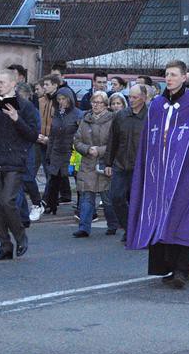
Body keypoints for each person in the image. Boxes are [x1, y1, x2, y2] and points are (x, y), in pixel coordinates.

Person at [126, 60, 189, 289]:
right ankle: (165, 267)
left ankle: (182, 270)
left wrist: (182, 149)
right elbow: (149, 136)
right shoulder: (157, 104)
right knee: (159, 217)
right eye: (167, 74)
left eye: (174, 75)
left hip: (183, 172)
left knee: (180, 217)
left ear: (184, 77)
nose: (169, 78)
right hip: (159, 173)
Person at [0, 70, 39, 260]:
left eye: (3, 82)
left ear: (13, 83)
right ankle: (5, 245)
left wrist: (16, 118)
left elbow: (32, 135)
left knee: (7, 201)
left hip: (15, 160)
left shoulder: (25, 106)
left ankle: (21, 236)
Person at [105, 84, 148, 244]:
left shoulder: (150, 116)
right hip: (121, 164)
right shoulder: (121, 116)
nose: (131, 100)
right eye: (130, 96)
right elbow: (112, 140)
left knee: (137, 200)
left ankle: (136, 229)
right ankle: (129, 227)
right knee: (116, 197)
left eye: (135, 97)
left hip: (140, 166)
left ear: (143, 98)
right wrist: (108, 163)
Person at [73, 90, 119, 237]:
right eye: (94, 102)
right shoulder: (85, 119)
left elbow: (115, 143)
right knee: (87, 197)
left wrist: (98, 150)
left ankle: (112, 224)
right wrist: (87, 149)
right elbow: (77, 140)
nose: (96, 105)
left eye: (99, 102)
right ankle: (84, 227)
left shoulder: (113, 120)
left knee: (107, 199)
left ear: (106, 105)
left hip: (104, 163)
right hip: (87, 163)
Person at [43, 86, 82, 215]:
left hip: (72, 151)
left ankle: (82, 206)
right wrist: (49, 153)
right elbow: (52, 135)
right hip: (57, 149)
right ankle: (51, 204)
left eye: (64, 99)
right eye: (59, 99)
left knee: (78, 178)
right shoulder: (57, 114)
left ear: (70, 99)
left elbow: (82, 134)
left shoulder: (78, 114)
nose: (61, 101)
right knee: (54, 178)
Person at [13, 83, 44, 225]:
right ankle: (21, 214)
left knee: (28, 178)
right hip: (17, 148)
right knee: (19, 180)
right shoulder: (15, 107)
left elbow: (34, 129)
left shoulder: (31, 109)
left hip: (29, 147)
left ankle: (37, 204)